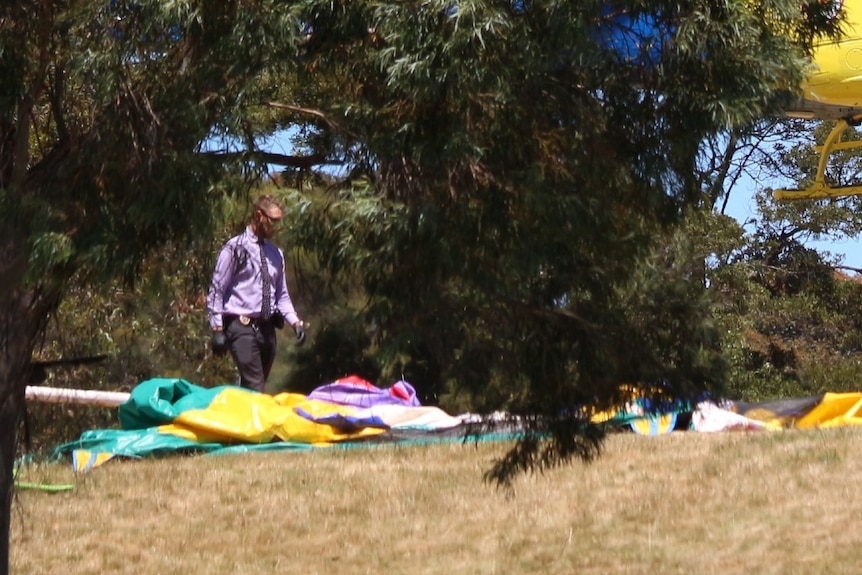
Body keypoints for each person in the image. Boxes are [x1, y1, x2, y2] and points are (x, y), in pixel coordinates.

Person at [207, 195, 306, 392]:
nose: (275, 227)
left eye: (279, 222)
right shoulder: (234, 249)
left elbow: (282, 294)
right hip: (240, 326)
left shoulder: (276, 254)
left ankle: (240, 421)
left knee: (251, 390)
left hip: (267, 328)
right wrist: (217, 329)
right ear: (258, 215)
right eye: (272, 221)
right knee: (255, 385)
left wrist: (295, 323)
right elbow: (217, 290)